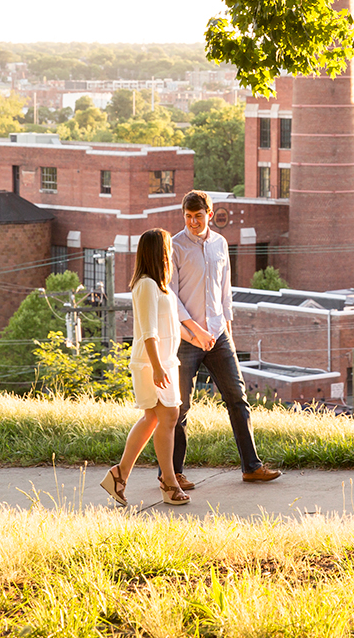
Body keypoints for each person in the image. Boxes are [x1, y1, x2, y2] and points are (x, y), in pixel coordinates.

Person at [170, 190, 281, 485]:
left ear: (209, 213)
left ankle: (251, 467)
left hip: (219, 337)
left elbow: (224, 291)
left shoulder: (220, 244)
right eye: (188, 217)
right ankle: (172, 473)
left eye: (198, 216)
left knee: (238, 399)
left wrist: (227, 333)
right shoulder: (175, 246)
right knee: (179, 407)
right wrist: (195, 330)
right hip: (187, 339)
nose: (193, 222)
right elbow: (171, 297)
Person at [101, 228, 190, 506]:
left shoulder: (159, 285)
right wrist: (157, 367)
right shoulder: (146, 285)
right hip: (152, 362)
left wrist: (197, 337)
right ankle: (168, 481)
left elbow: (169, 326)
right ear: (157, 252)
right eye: (167, 248)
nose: (170, 253)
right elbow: (149, 331)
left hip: (164, 361)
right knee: (169, 416)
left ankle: (120, 474)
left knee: (155, 418)